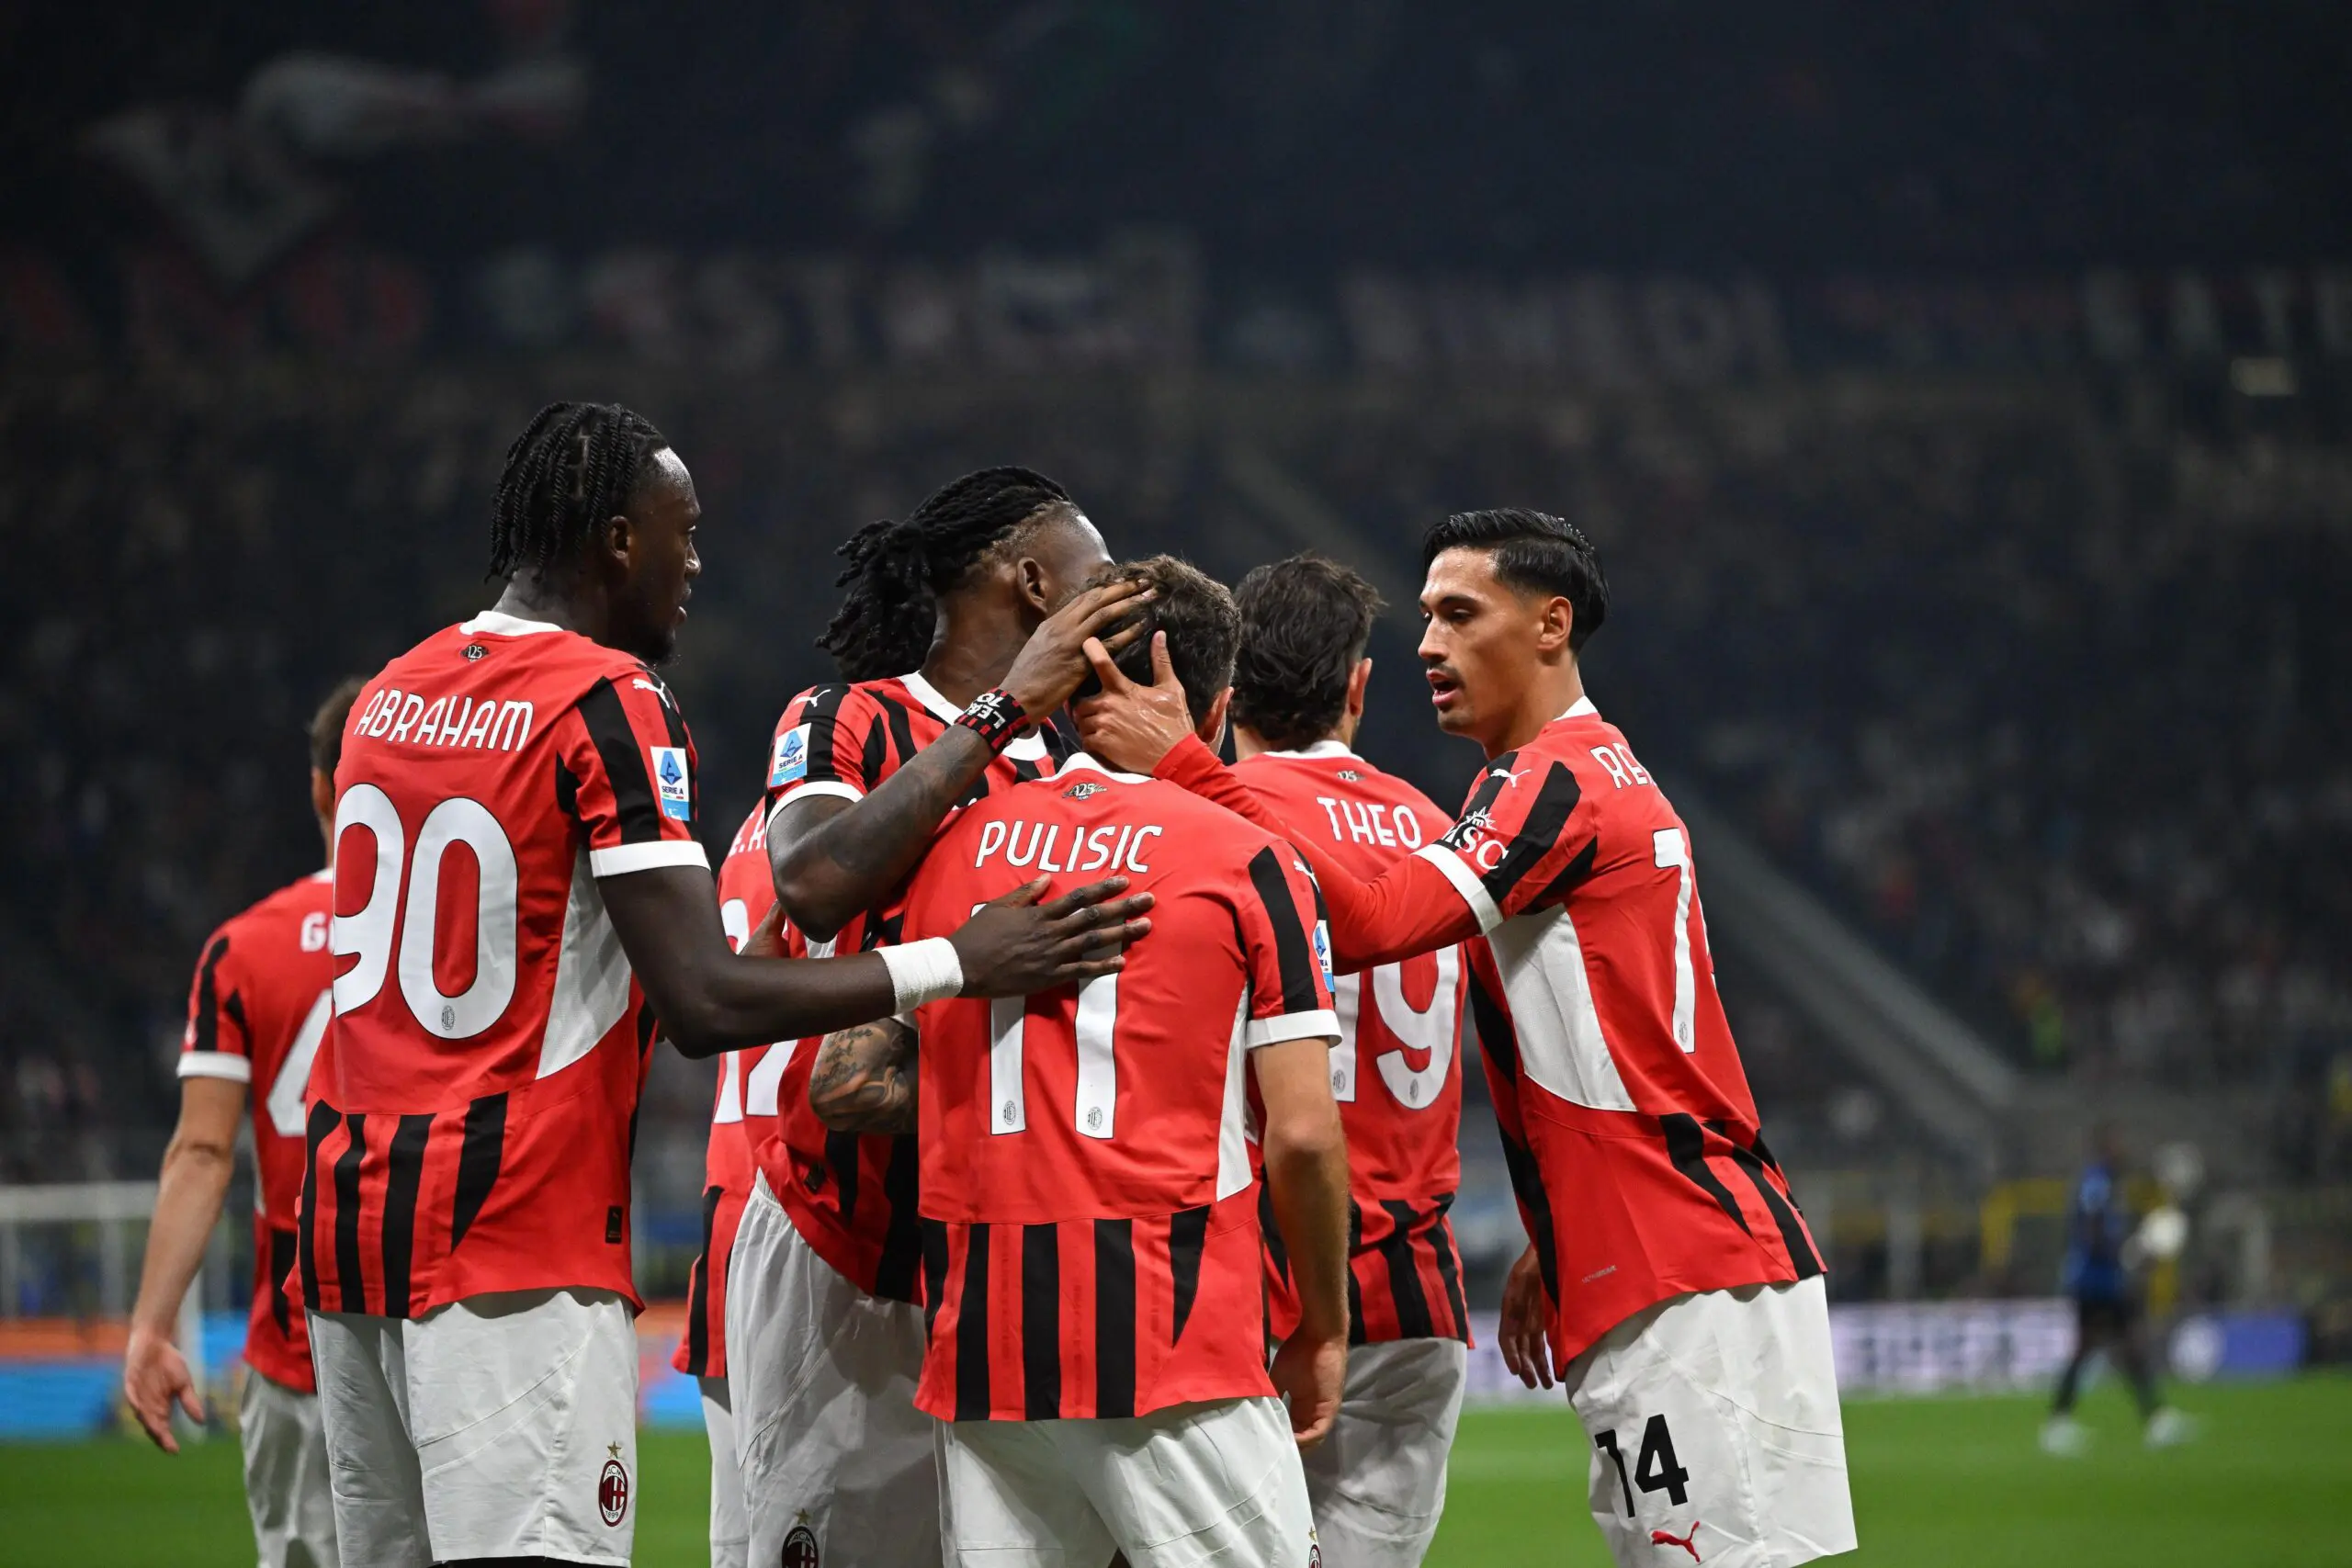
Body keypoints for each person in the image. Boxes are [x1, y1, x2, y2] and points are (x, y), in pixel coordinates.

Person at [296, 404, 1148, 1568]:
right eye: (679, 533)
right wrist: (961, 961)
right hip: (515, 1240)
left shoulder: (390, 695)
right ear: (612, 540)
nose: (695, 563)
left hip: (351, 1232)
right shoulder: (614, 699)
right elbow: (709, 994)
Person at [1078, 511, 1857, 1568]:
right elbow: (1623, 1029)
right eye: (1425, 620)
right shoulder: (1561, 781)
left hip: (1680, 1263)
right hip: (1650, 1250)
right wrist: (1553, 1218)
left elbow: (1365, 927)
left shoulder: (1558, 779)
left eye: (1457, 614)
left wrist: (1182, 766)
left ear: (1550, 625)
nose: (1427, 646)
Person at [814, 555, 1350, 1568]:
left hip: (984, 1345)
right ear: (1218, 699)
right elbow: (1306, 1135)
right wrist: (1322, 1325)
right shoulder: (1248, 857)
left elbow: (843, 1080)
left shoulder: (947, 847)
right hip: (1172, 1330)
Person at [730, 467, 1156, 1568]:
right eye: (1096, 581)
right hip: (846, 1246)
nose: (1119, 600)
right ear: (1029, 580)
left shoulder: (1075, 767)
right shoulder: (850, 715)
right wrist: (1004, 706)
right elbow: (814, 880)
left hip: (1010, 1257)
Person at [1227, 555, 1473, 1568]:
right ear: (1358, 688)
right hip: (1416, 1293)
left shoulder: (1210, 823)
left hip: (1263, 1283)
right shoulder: (1440, 829)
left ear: (1225, 690)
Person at [122, 675, 366, 1568]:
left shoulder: (243, 947)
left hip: (293, 1349)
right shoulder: (460, 931)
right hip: (427, 1328)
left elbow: (201, 1151)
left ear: (318, 788)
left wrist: (152, 1326)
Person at [669, 800, 786, 1568]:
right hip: (814, 1220)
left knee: (742, 1544)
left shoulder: (758, 820)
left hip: (732, 1207)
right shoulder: (882, 805)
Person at [2041, 1124, 2195, 1454]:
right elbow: (2092, 1233)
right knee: (2113, 1347)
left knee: (2120, 1348)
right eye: (2116, 1144)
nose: (2122, 1150)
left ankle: (2153, 1419)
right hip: (2094, 1281)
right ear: (2104, 1147)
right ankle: (2152, 1421)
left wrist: (2134, 1256)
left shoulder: (2106, 1184)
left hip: (2101, 1279)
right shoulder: (2096, 1182)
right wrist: (2130, 1255)